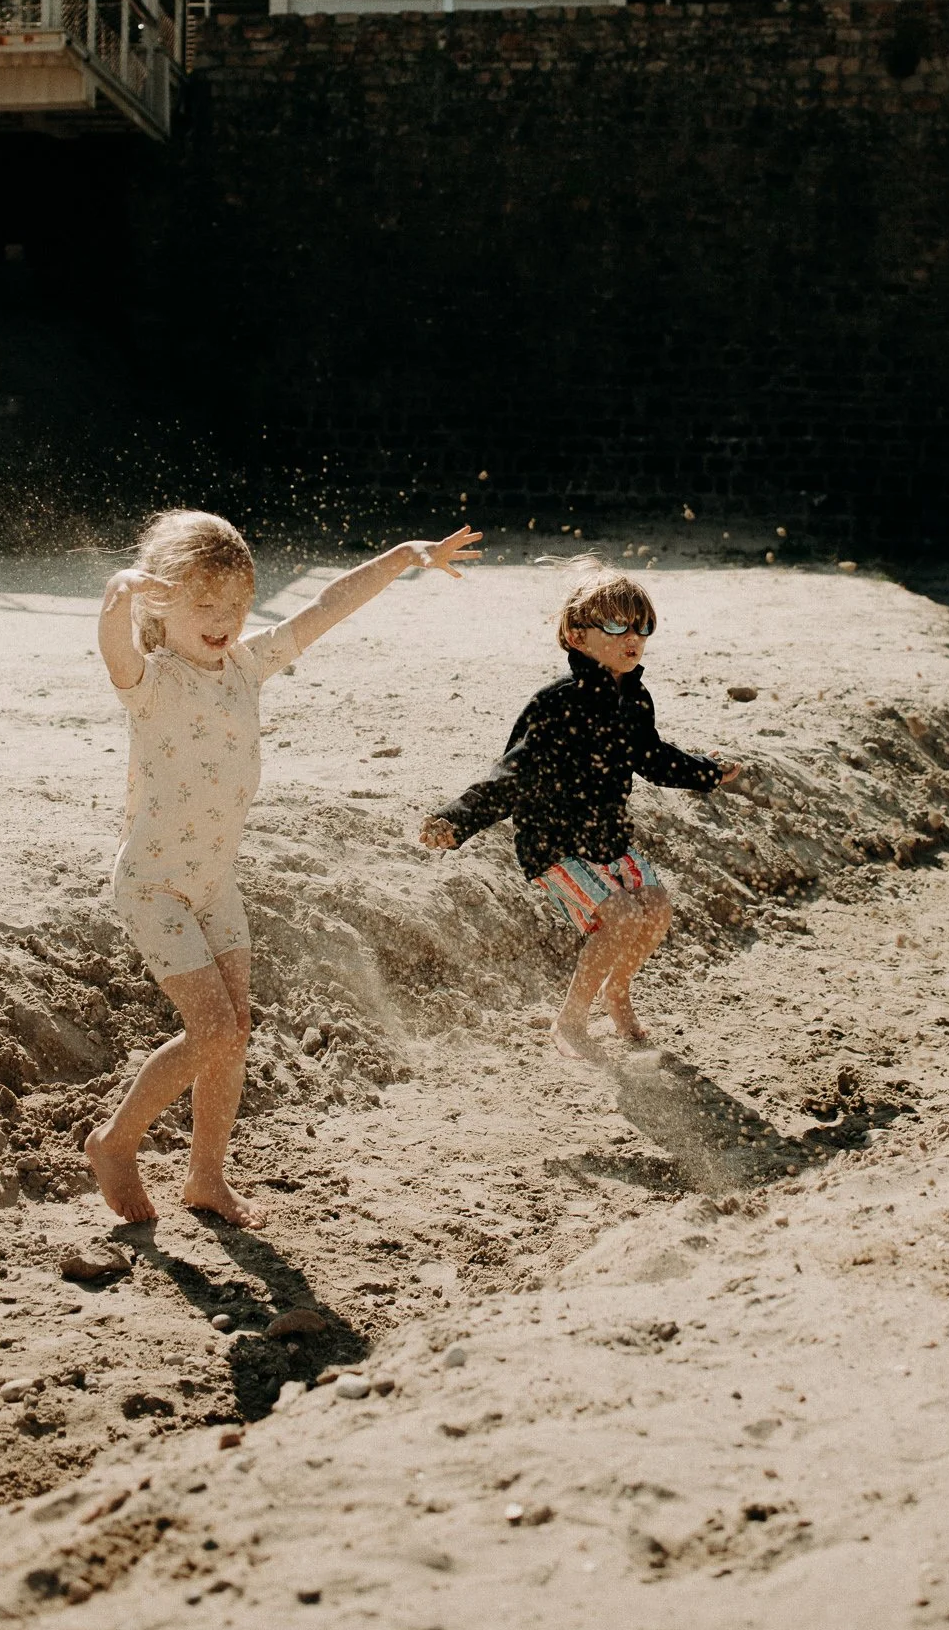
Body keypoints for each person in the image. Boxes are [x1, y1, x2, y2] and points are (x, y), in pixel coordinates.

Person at [87, 508, 480, 1227]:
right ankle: (116, 1141)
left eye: (236, 605)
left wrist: (401, 553)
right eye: (204, 604)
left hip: (215, 884)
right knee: (209, 1030)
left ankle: (206, 1176)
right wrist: (118, 596)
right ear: (160, 602)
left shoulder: (246, 663)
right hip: (154, 886)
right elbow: (116, 652)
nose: (223, 620)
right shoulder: (153, 682)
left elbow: (326, 605)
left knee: (235, 1028)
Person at [422, 565, 738, 1056]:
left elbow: (653, 758)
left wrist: (707, 772)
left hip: (608, 838)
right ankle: (569, 1021)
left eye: (642, 626)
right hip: (554, 844)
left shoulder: (635, 699)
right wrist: (456, 819)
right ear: (576, 635)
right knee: (620, 919)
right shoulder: (556, 703)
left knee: (655, 911)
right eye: (616, 626)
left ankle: (618, 993)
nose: (632, 637)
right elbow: (512, 772)